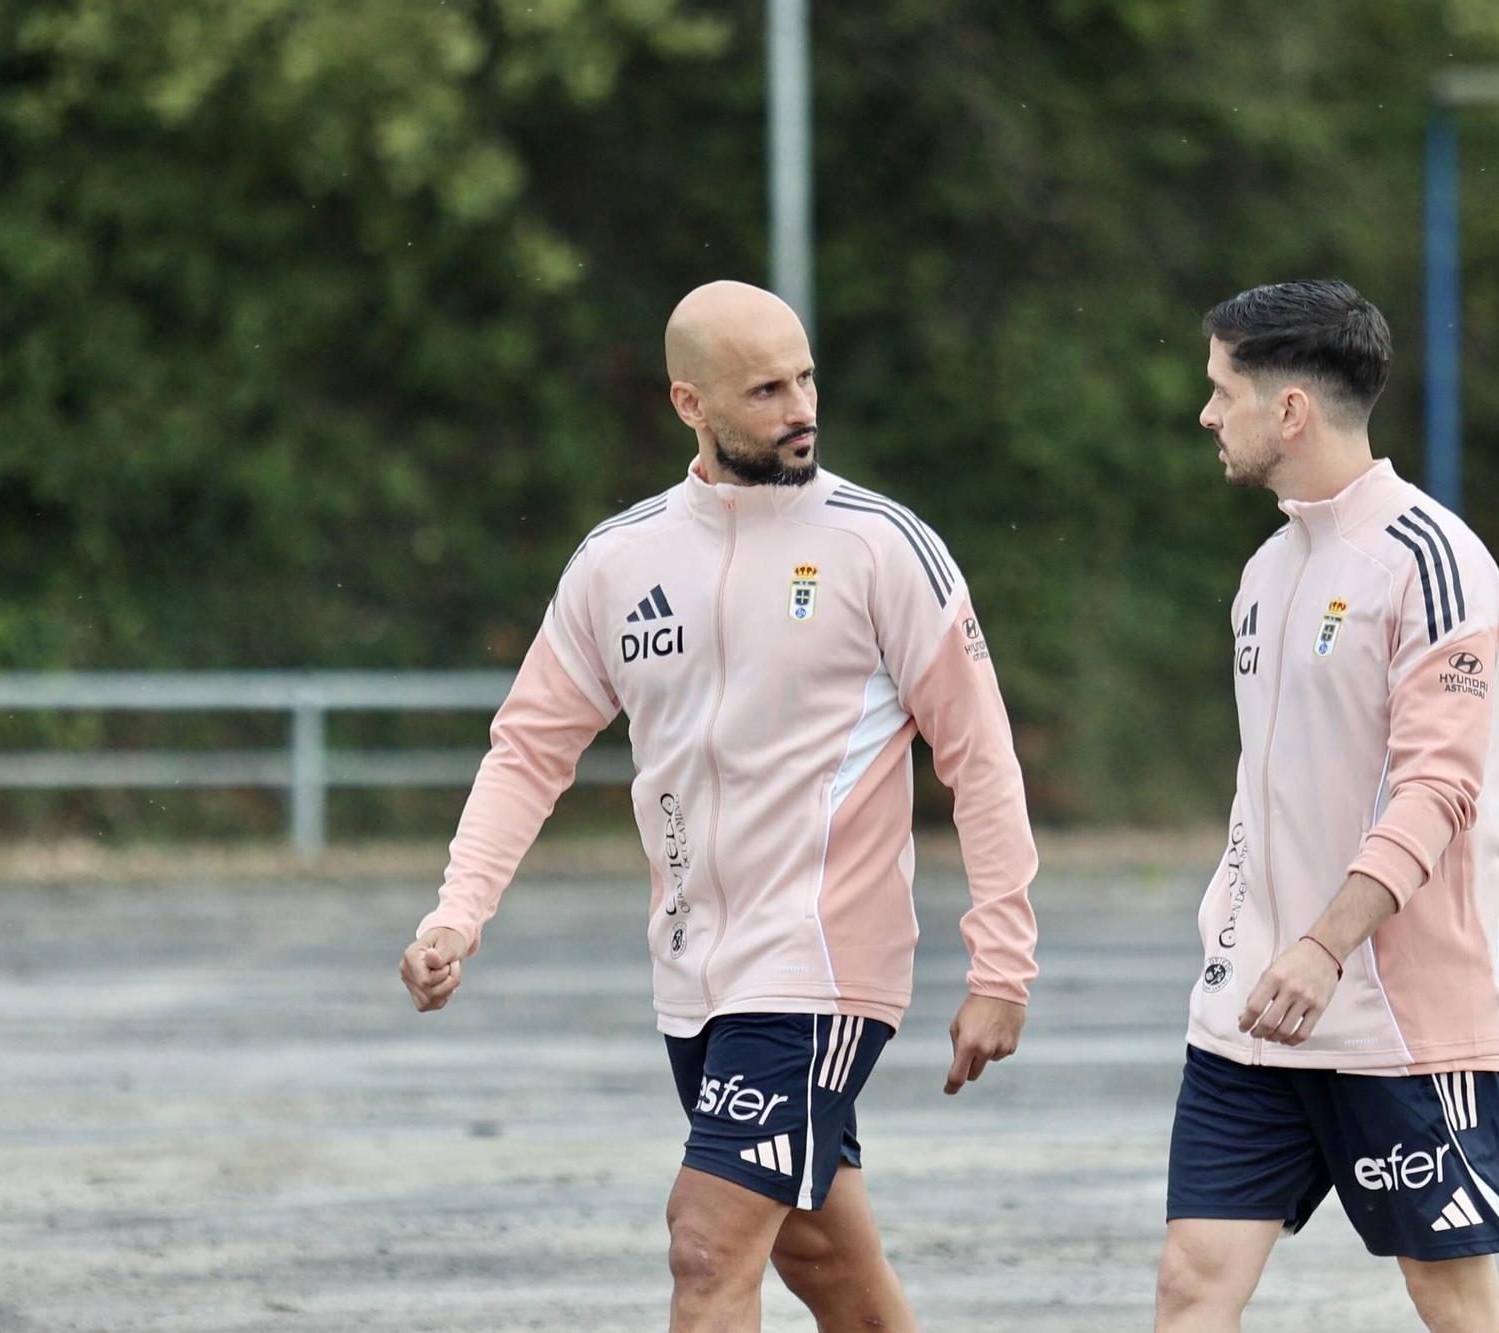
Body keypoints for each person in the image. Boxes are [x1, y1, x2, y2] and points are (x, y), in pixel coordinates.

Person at [398, 280, 1040, 1333]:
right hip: (693, 971)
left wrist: (1001, 966)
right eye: (765, 390)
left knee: (706, 1242)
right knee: (821, 1256)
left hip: (821, 962)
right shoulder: (617, 561)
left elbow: (983, 761)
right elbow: (527, 751)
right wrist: (455, 914)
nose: (801, 408)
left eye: (806, 378)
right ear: (688, 404)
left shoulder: (882, 545)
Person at [1155, 280, 1499, 1333]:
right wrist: (1243, 940)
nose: (1205, 413)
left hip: (1390, 1022)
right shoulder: (1267, 570)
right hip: (1253, 1010)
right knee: (1191, 1281)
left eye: (1221, 390)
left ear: (1289, 410)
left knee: (1449, 1296)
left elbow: (1437, 791)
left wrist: (1323, 946)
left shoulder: (1433, 562)